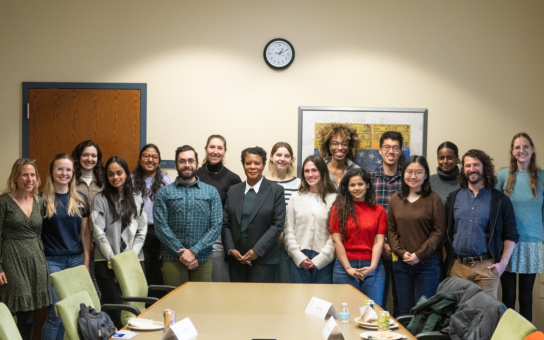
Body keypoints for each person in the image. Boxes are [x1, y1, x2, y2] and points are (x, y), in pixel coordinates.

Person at [444, 149, 519, 299]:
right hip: (457, 268)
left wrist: (502, 264)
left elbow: (511, 234)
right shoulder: (453, 198)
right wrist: (447, 262)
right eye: (468, 165)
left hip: (486, 268)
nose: (472, 169)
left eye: (476, 165)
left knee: (484, 316)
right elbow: (445, 233)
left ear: (484, 167)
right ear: (463, 169)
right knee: (457, 314)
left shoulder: (500, 200)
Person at [154, 145, 222, 286]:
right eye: (182, 161)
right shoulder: (164, 193)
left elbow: (216, 226)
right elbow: (161, 227)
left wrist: (194, 251)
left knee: (201, 304)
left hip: (202, 259)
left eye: (191, 161)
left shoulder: (211, 192)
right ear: (176, 164)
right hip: (172, 259)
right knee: (174, 304)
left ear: (197, 164)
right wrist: (183, 254)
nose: (187, 165)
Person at [92, 156, 147, 328]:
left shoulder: (137, 198)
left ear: (126, 174)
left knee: (134, 310)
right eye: (110, 174)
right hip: (106, 263)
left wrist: (128, 261)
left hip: (134, 262)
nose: (115, 177)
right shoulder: (100, 199)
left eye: (119, 173)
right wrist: (116, 263)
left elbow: (141, 232)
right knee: (115, 312)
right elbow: (98, 233)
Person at [387, 155, 446, 315]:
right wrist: (400, 252)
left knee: (424, 311)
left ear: (426, 174)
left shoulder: (434, 199)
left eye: (418, 172)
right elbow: (391, 230)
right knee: (403, 310)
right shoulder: (395, 199)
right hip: (401, 264)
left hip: (428, 265)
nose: (413, 176)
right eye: (409, 172)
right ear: (403, 173)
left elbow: (439, 231)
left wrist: (419, 255)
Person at [40, 153, 90, 340]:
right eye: (59, 169)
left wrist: (85, 261)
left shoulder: (81, 199)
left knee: (71, 311)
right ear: (52, 172)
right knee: (55, 313)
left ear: (73, 173)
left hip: (76, 260)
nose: (64, 173)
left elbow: (85, 233)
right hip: (52, 261)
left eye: (68, 169)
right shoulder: (41, 200)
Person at [0, 158, 51, 340]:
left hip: (36, 260)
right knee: (25, 316)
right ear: (16, 177)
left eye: (33, 175)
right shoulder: (4, 202)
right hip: (13, 259)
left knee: (33, 315)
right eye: (25, 175)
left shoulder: (38, 201)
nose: (29, 179)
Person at [496, 133, 544, 321]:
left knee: (525, 298)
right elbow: (495, 208)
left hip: (532, 243)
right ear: (512, 151)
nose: (521, 150)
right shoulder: (502, 175)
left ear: (532, 149)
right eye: (517, 147)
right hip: (507, 243)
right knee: (507, 296)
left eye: (525, 146)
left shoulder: (541, 176)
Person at [222, 146, 286, 282]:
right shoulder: (233, 190)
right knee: (237, 300)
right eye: (248, 163)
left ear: (263, 165)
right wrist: (231, 249)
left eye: (257, 163)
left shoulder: (276, 191)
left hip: (264, 260)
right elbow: (225, 224)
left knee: (262, 301)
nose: (252, 167)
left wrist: (257, 251)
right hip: (237, 260)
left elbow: (277, 225)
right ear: (243, 165)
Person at [330, 168, 386, 302]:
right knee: (345, 313)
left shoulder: (379, 210)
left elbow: (379, 241)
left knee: (373, 312)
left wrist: (372, 267)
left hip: (373, 268)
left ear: (367, 185)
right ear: (347, 188)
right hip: (345, 267)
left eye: (360, 184)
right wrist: (348, 268)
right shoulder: (338, 209)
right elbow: (336, 240)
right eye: (352, 185)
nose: (357, 188)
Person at [284, 155, 337, 283]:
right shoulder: (296, 197)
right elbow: (288, 230)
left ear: (322, 172)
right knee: (299, 300)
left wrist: (322, 259)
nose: (310, 174)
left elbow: (335, 234)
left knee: (322, 300)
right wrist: (298, 256)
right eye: (306, 171)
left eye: (314, 170)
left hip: (324, 260)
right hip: (299, 259)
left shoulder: (334, 198)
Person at [196, 135, 241, 282]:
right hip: (196, 235)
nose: (215, 151)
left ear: (225, 151)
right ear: (206, 149)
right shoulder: (196, 175)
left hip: (219, 238)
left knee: (218, 280)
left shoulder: (233, 179)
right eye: (212, 147)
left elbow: (234, 214)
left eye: (219, 148)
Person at [370, 131, 403, 314]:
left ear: (400, 151)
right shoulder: (369, 179)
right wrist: (382, 244)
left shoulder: (408, 180)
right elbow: (366, 215)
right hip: (375, 249)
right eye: (387, 147)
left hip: (401, 249)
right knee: (377, 301)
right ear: (380, 151)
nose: (391, 151)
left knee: (401, 301)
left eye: (396, 147)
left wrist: (395, 245)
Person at [132, 144, 174, 289]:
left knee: (159, 273)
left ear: (159, 160)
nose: (150, 159)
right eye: (146, 156)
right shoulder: (130, 181)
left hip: (161, 232)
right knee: (141, 271)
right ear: (140, 159)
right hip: (136, 233)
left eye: (154, 157)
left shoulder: (168, 181)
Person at [72, 140, 105, 297]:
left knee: (98, 286)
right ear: (78, 156)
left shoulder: (104, 179)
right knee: (79, 286)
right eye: (85, 155)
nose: (89, 159)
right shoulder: (69, 179)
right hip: (76, 240)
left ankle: (96, 319)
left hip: (101, 242)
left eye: (94, 155)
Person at [266, 141, 301, 283]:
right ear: (271, 157)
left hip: (290, 241)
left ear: (291, 159)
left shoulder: (299, 184)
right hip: (266, 242)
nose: (282, 159)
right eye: (279, 155)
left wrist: (284, 233)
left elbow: (299, 213)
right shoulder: (261, 182)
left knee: (287, 283)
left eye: (287, 156)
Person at [317, 123, 360, 188]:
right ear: (329, 147)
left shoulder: (356, 170)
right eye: (335, 144)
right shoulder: (319, 168)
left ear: (349, 147)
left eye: (344, 144)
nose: (340, 148)